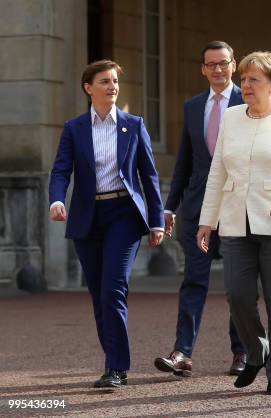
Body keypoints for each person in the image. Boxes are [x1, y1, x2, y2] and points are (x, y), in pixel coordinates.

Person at [49, 60, 164, 387]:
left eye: (114, 81)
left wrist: (156, 221)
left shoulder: (133, 124)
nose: (112, 86)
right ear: (89, 88)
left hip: (123, 216)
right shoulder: (74, 128)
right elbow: (60, 171)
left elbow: (149, 176)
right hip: (88, 217)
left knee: (113, 288)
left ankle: (116, 367)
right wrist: (57, 199)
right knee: (99, 293)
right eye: (104, 81)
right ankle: (113, 360)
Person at [197, 51, 271, 395]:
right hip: (234, 222)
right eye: (242, 79)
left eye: (253, 79)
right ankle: (257, 353)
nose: (244, 84)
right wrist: (206, 220)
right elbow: (218, 171)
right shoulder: (230, 117)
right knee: (238, 295)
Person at [154, 41, 246, 378]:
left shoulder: (248, 100)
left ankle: (242, 352)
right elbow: (185, 161)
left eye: (223, 63)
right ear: (203, 69)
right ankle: (182, 353)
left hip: (237, 208)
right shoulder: (193, 106)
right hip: (196, 209)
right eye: (211, 65)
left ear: (234, 65)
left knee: (238, 286)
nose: (218, 70)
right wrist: (169, 206)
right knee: (193, 281)